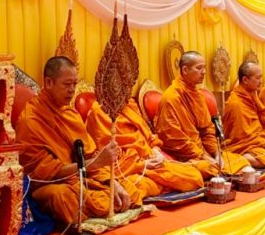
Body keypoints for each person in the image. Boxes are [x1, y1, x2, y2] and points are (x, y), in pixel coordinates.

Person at [16, 56, 145, 225]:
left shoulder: (71, 114)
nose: (72, 90)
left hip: (80, 179)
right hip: (50, 186)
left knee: (129, 189)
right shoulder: (31, 120)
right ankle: (91, 211)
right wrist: (93, 164)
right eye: (66, 84)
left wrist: (113, 182)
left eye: (74, 84)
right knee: (64, 198)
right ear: (48, 83)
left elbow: (89, 155)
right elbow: (45, 174)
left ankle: (95, 208)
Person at [85, 96, 205, 195]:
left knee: (194, 176)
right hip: (130, 171)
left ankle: (162, 185)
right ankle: (163, 185)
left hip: (152, 162)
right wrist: (143, 165)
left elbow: (148, 137)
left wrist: (156, 151)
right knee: (140, 187)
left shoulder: (129, 105)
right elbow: (107, 161)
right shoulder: (99, 113)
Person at [154, 51, 250, 175]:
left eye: (204, 67)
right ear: (185, 70)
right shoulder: (171, 98)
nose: (204, 72)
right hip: (184, 155)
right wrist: (204, 156)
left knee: (242, 162)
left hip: (202, 151)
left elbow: (207, 129)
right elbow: (174, 138)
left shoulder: (198, 95)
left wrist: (216, 153)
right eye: (199, 68)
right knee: (207, 169)